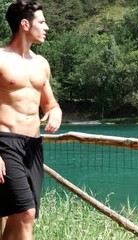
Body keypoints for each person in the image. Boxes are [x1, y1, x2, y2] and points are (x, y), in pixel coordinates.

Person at [0, 0, 62, 239]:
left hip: (33, 147)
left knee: (20, 218)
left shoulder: (41, 64)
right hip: (5, 143)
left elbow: (50, 103)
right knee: (26, 212)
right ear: (25, 24)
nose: (47, 27)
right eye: (42, 22)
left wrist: (55, 112)